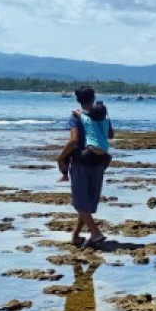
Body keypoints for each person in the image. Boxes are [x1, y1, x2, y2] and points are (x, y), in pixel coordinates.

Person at [56, 86, 113, 249]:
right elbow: (110, 135)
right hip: (100, 161)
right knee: (86, 201)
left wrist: (61, 157)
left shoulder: (77, 117)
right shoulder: (103, 116)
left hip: (82, 161)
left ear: (78, 100)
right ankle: (75, 236)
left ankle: (95, 233)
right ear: (93, 98)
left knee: (80, 202)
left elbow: (73, 141)